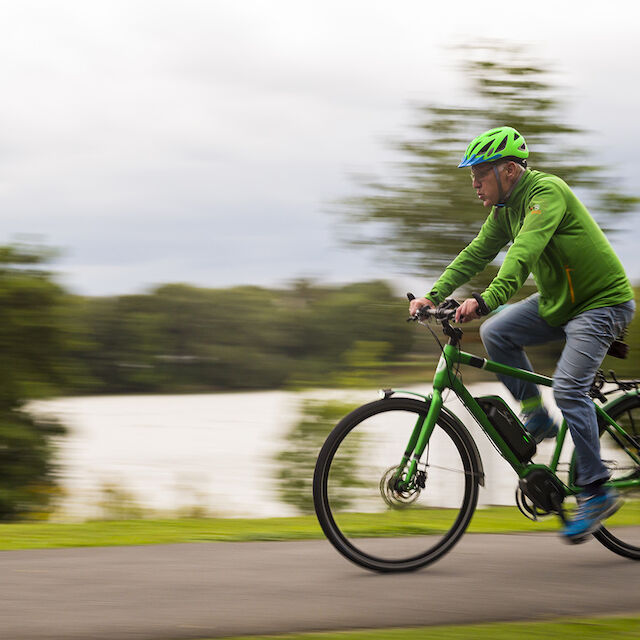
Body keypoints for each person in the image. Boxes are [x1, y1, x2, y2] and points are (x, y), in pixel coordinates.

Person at [408, 126, 635, 543]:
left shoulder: (546, 194)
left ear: (509, 170)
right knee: (497, 333)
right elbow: (476, 253)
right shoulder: (503, 212)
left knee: (569, 389)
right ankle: (538, 417)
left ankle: (597, 490)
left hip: (600, 303)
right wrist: (433, 294)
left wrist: (486, 299)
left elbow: (522, 254)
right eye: (471, 175)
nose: (474, 183)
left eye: (480, 173)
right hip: (558, 303)